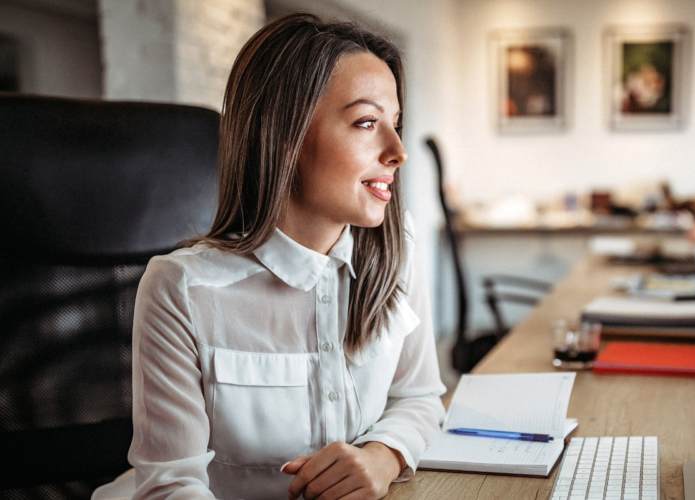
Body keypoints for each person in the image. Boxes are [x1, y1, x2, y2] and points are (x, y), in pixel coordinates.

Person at [92, 13, 446, 500]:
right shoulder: (182, 289)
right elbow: (171, 489)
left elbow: (420, 397)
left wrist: (382, 457)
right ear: (286, 136)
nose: (398, 151)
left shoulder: (396, 251)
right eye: (367, 122)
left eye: (396, 124)